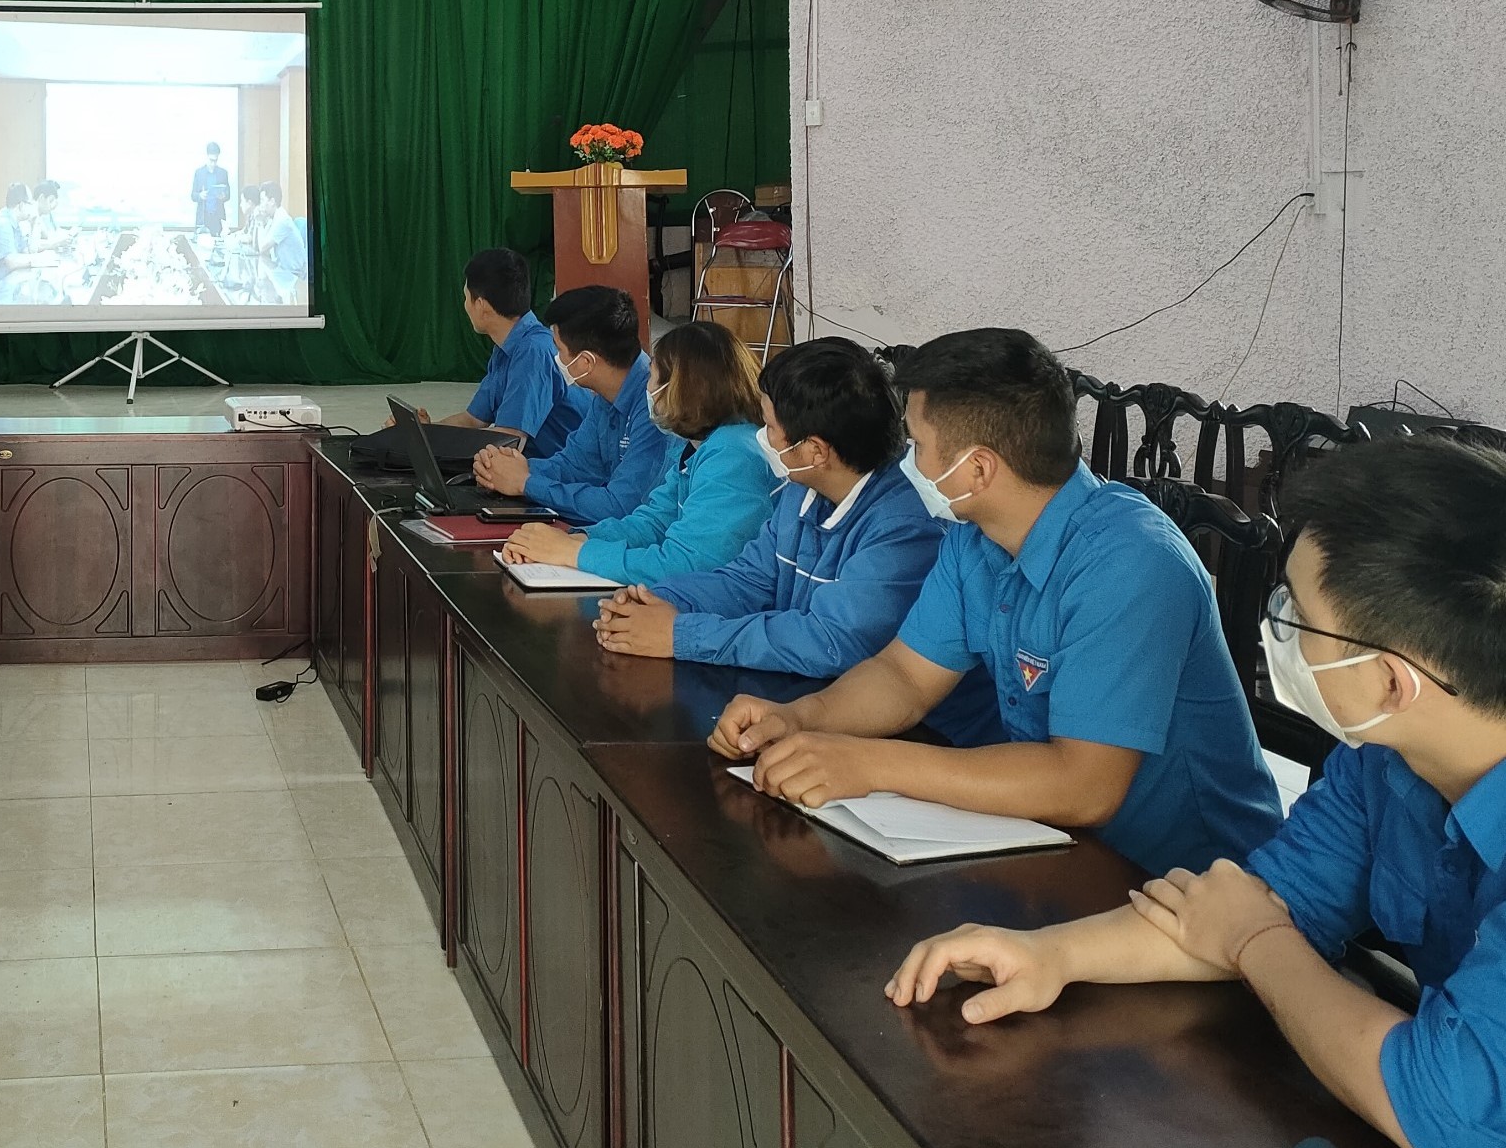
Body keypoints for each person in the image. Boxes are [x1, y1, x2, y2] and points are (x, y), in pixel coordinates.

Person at [887, 437, 1506, 1148]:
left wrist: (1257, 940)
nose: (1274, 627)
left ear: (1390, 682)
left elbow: (1436, 1105)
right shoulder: (1385, 762)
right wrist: (1052, 955)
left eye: (1296, 616)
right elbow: (1253, 900)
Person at [701, 328, 1280, 875]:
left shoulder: (1131, 564)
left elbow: (1085, 785)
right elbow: (904, 676)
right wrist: (799, 719)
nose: (907, 464)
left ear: (977, 468)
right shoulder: (974, 538)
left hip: (1187, 877)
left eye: (918, 446)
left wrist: (868, 762)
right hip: (1049, 842)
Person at [592, 337, 1000, 748]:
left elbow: (832, 639)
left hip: (928, 739)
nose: (761, 438)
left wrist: (683, 634)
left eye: (770, 428)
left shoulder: (906, 525)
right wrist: (656, 602)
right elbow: (747, 579)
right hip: (819, 703)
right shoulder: (802, 490)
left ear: (815, 451)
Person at [501, 321, 774, 586]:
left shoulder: (734, 453)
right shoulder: (696, 443)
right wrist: (576, 539)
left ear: (684, 388)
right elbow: (654, 522)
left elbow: (688, 564)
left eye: (652, 377)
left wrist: (576, 554)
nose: (648, 388)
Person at [472, 286, 678, 525]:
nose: (555, 359)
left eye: (559, 350)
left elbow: (620, 506)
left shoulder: (656, 405)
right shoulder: (606, 396)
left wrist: (526, 483)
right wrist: (504, 468)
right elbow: (574, 465)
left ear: (586, 362)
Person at [438, 248, 585, 459]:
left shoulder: (533, 351)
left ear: (481, 305)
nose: (465, 306)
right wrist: (424, 432)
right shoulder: (504, 349)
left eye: (466, 297)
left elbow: (508, 441)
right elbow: (472, 420)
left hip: (564, 470)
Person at [191, 141, 232, 235]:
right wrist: (200, 195)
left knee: (219, 240)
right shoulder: (199, 173)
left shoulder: (223, 173)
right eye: (211, 160)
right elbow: (193, 195)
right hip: (203, 216)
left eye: (215, 160)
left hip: (218, 216)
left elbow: (228, 195)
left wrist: (223, 196)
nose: (213, 164)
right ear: (206, 157)